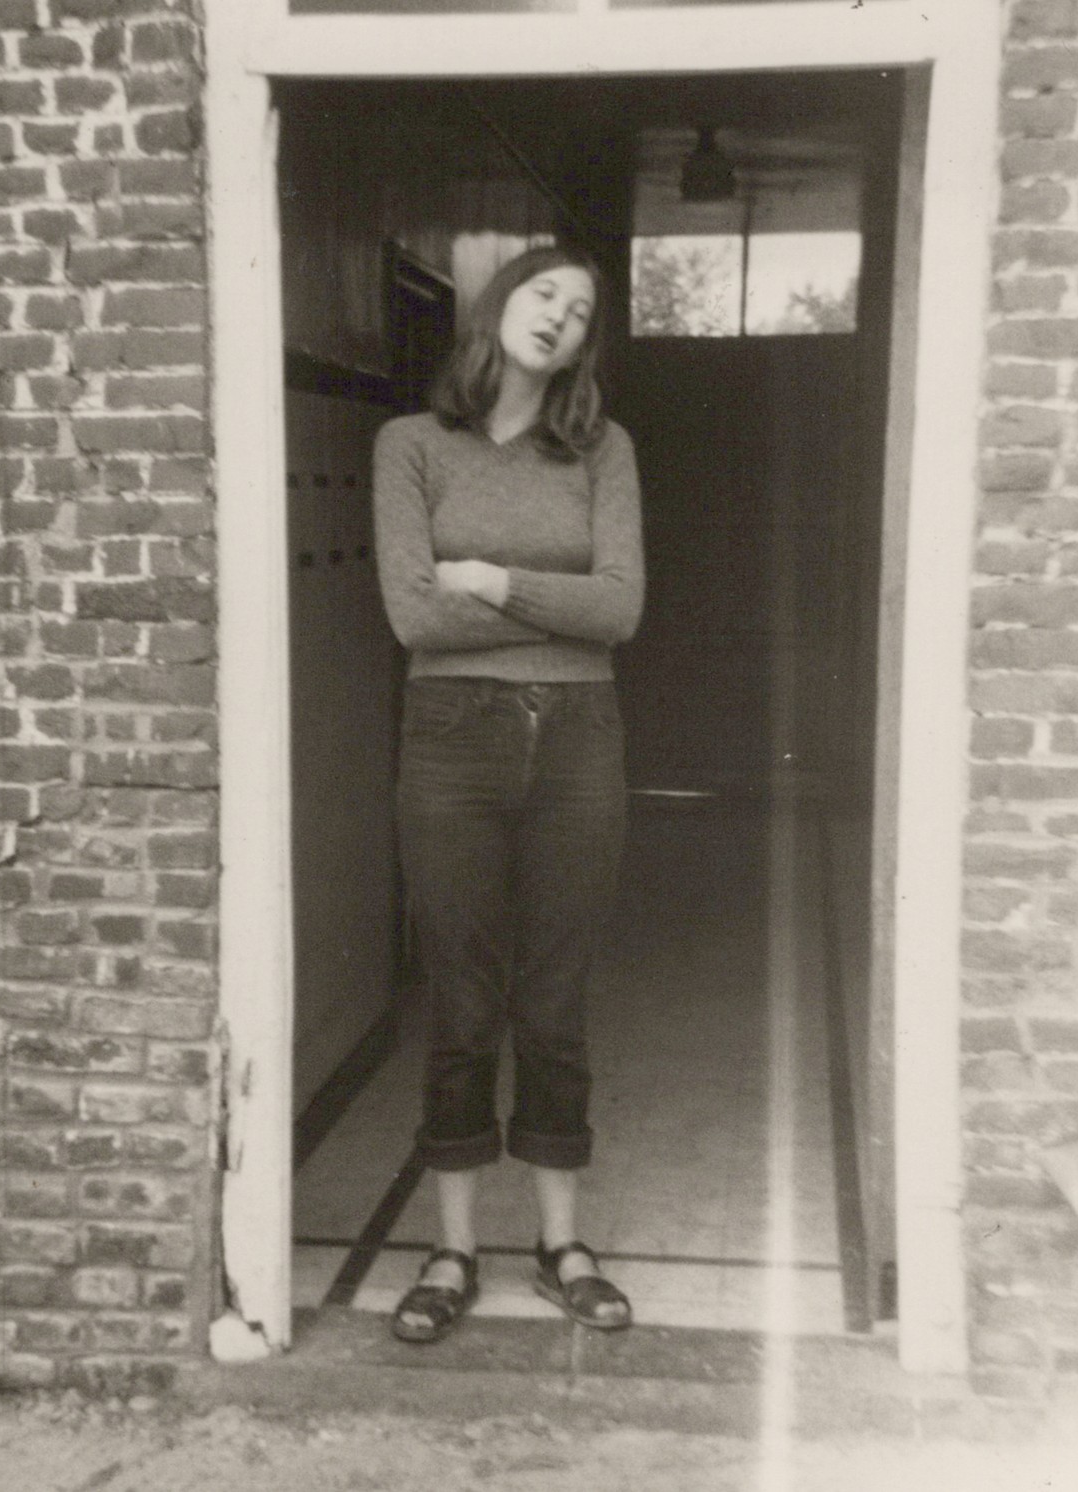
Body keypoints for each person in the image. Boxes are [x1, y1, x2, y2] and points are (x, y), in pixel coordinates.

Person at [373, 243, 645, 1343]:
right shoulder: (409, 445)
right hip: (451, 739)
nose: (560, 316)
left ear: (584, 346)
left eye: (580, 311)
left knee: (556, 1001)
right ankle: (452, 1251)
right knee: (461, 1000)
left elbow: (621, 609)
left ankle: (561, 1245)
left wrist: (488, 578)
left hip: (580, 740)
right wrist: (553, 604)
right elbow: (412, 616)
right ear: (498, 305)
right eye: (544, 293)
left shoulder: (603, 449)